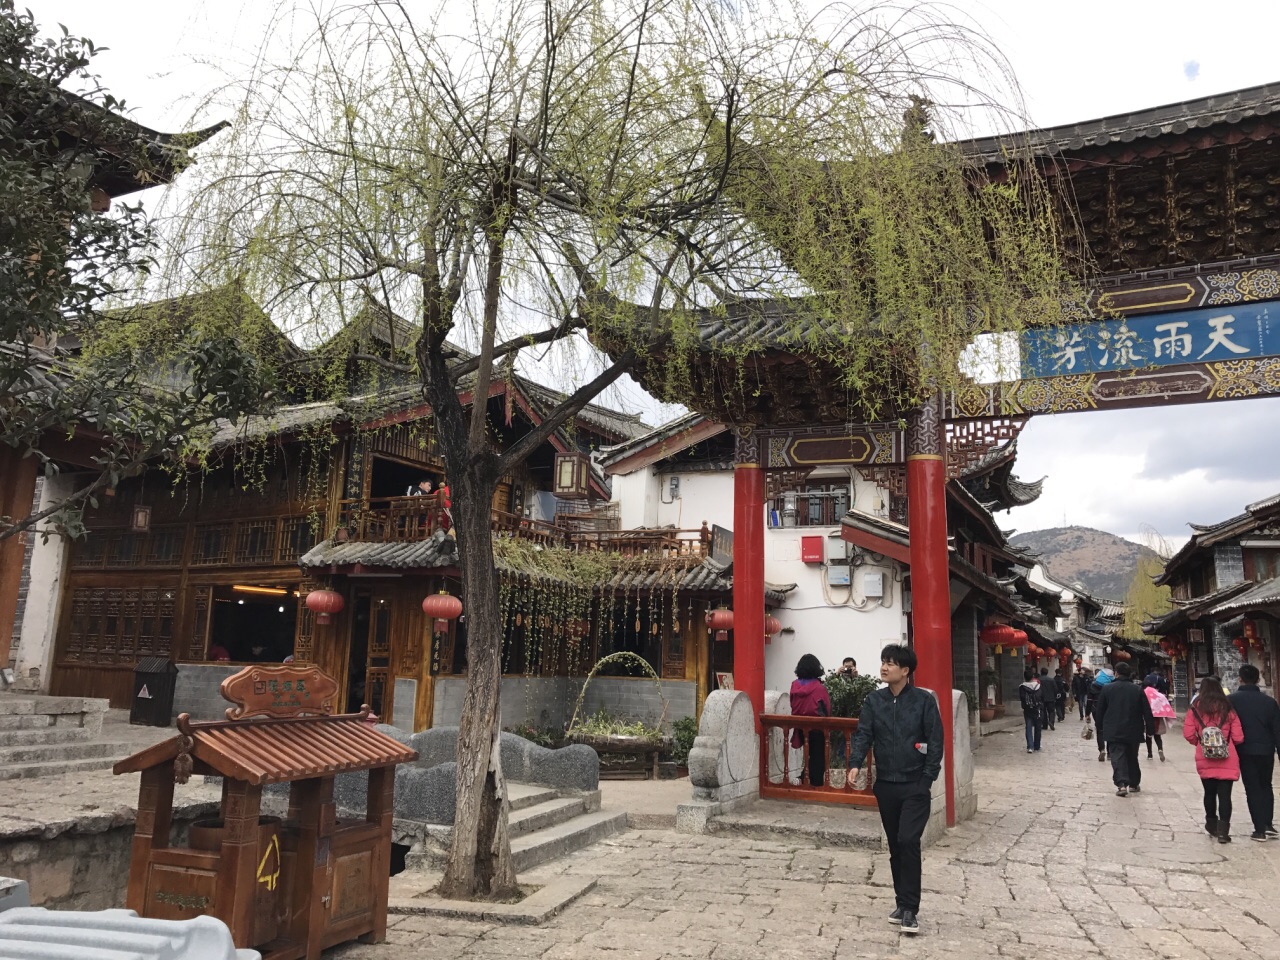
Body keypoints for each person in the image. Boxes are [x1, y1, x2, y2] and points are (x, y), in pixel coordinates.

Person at [848, 644, 943, 937]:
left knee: (908, 840)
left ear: (906, 670)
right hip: (886, 785)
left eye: (891, 663)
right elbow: (864, 733)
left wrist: (926, 780)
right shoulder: (874, 701)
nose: (884, 667)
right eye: (883, 662)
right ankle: (901, 904)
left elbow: (935, 742)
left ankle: (911, 910)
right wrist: (855, 764)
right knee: (895, 845)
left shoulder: (924, 702)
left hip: (915, 785)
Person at [1184, 676, 1245, 843]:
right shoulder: (1228, 709)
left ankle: (1211, 825)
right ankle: (1224, 833)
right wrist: (1226, 741)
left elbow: (1188, 734)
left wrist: (1201, 743)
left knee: (1209, 793)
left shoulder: (1194, 709)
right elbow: (1239, 737)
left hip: (1205, 756)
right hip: (1227, 757)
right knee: (1225, 796)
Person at [1228, 663, 1280, 842]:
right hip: (1266, 750)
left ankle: (1259, 830)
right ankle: (1267, 824)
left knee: (1252, 788)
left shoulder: (1232, 700)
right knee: (1266, 785)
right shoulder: (1269, 702)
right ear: (1258, 680)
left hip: (1244, 749)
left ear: (1240, 678)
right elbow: (1277, 730)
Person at [1093, 661, 1154, 796]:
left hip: (1113, 729)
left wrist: (1100, 727)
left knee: (1117, 757)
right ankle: (1133, 783)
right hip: (1133, 729)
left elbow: (1100, 711)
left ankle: (1121, 785)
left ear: (1116, 673)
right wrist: (1150, 729)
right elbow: (1147, 711)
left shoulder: (1107, 689)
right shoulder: (1137, 689)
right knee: (1132, 756)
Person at [790, 653, 831, 789]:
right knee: (818, 756)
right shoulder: (819, 688)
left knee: (808, 755)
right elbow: (826, 709)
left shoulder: (794, 685)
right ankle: (815, 784)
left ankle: (803, 778)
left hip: (800, 726)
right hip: (817, 728)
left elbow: (792, 704)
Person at [1142, 678, 1176, 762]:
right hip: (1158, 717)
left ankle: (1150, 754)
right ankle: (1160, 749)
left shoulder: (1143, 693)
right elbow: (1165, 702)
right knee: (1158, 736)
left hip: (1148, 718)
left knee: (1148, 736)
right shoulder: (1158, 694)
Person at [1018, 669, 1042, 754]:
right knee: (1037, 727)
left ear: (1024, 677)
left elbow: (1021, 698)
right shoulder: (1038, 686)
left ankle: (1030, 746)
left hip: (1027, 709)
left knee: (1028, 727)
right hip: (1037, 708)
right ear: (1032, 677)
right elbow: (1041, 696)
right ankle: (1037, 745)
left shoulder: (1022, 687)